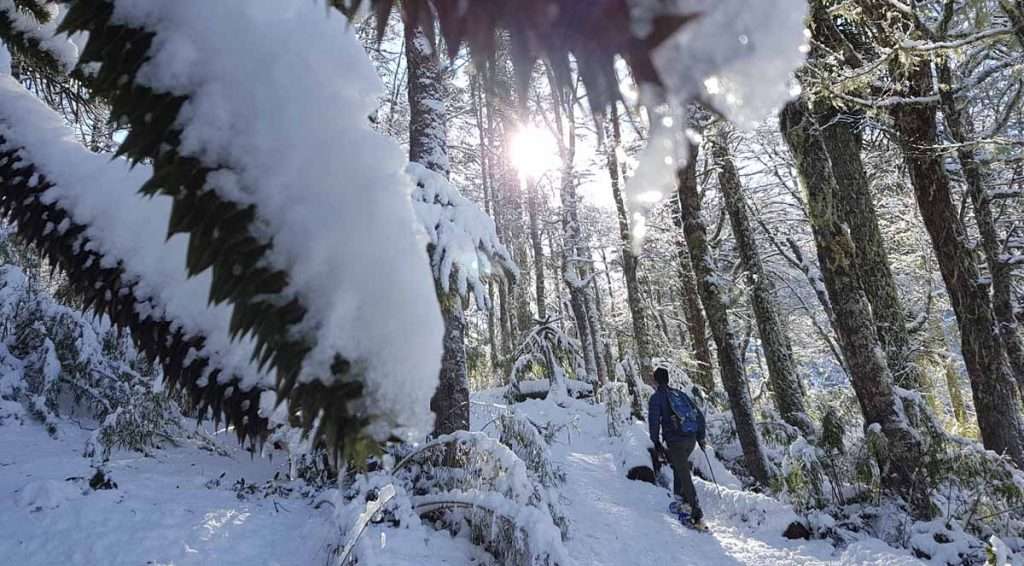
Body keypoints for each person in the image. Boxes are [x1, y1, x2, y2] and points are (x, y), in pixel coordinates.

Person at [648, 367, 707, 527]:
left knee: (683, 473)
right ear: (667, 379)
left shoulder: (656, 398)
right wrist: (701, 438)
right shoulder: (680, 394)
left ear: (655, 380)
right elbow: (699, 415)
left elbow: (654, 422)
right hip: (691, 439)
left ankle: (696, 513)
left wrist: (656, 442)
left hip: (676, 441)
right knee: (677, 466)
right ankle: (680, 499)